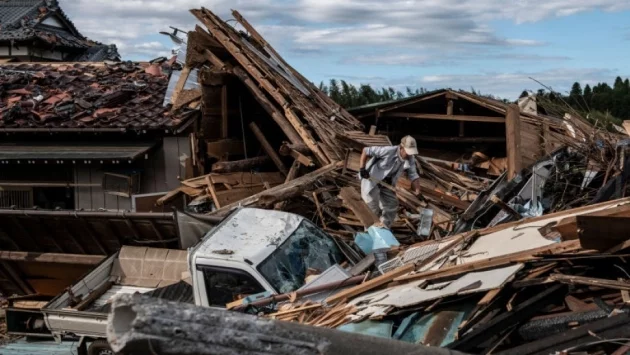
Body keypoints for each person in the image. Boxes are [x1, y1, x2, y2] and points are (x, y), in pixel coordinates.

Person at [359, 135, 422, 228]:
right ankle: (369, 230)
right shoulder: (388, 150)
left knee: (392, 203)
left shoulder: (410, 159)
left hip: (387, 184)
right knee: (372, 206)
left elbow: (413, 175)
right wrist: (362, 169)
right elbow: (366, 150)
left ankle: (384, 227)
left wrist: (418, 191)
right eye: (408, 152)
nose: (409, 155)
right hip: (372, 179)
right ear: (401, 148)